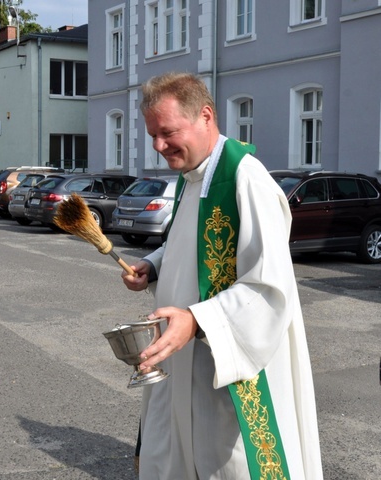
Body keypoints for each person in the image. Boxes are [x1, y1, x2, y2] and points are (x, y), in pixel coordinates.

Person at [120, 72, 322, 479]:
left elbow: (269, 287)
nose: (159, 146)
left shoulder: (247, 180)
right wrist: (155, 264)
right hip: (183, 366)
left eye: (168, 132)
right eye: (152, 135)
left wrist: (196, 319)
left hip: (230, 372)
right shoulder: (192, 179)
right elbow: (190, 243)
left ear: (206, 116)